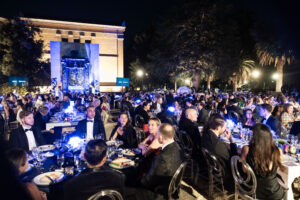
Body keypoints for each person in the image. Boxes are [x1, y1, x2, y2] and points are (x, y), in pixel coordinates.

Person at [241, 124, 286, 200]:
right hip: (274, 192)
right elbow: (276, 169)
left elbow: (245, 170)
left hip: (254, 190)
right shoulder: (278, 151)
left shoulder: (246, 149)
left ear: (255, 136)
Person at [139, 123, 183, 199]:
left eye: (157, 135)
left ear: (161, 137)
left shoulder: (161, 157)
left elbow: (147, 182)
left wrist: (140, 178)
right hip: (169, 183)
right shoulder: (177, 146)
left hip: (158, 192)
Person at [201, 114, 237, 184]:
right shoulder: (217, 144)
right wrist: (231, 140)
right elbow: (232, 158)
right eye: (224, 127)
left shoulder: (205, 134)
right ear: (218, 127)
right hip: (222, 172)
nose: (225, 129)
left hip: (210, 166)